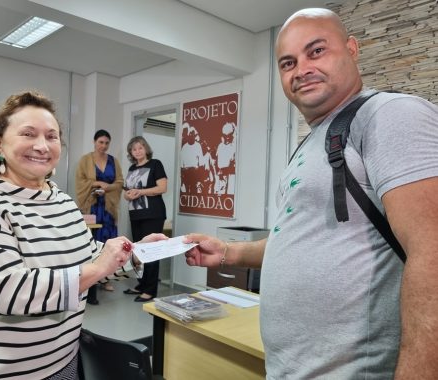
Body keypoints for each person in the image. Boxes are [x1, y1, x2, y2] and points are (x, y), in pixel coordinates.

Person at [184, 8, 438, 379]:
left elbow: (432, 251)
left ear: (352, 49)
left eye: (316, 51)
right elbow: (303, 241)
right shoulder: (314, 141)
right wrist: (229, 252)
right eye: (288, 62)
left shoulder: (389, 115)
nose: (301, 69)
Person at [0, 91, 139, 379]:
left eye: (52, 136)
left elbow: (91, 259)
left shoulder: (63, 201)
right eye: (28, 134)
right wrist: (97, 268)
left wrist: (137, 251)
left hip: (62, 362)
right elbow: (8, 289)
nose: (42, 146)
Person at [75, 129, 124, 297]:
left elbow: (119, 182)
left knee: (108, 241)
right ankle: (91, 277)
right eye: (100, 142)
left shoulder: (114, 161)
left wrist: (107, 187)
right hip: (92, 206)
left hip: (108, 208)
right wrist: (97, 183)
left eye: (106, 143)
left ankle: (107, 278)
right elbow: (80, 181)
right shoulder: (85, 160)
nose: (103, 146)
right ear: (94, 142)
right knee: (92, 241)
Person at [123, 136, 167, 302]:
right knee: (138, 251)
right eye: (134, 149)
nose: (137, 151)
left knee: (152, 252)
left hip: (153, 214)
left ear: (145, 149)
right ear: (131, 153)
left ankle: (150, 290)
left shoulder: (155, 164)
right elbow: (126, 193)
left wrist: (140, 192)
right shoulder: (132, 168)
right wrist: (128, 195)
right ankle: (141, 285)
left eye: (140, 148)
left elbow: (162, 187)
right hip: (136, 214)